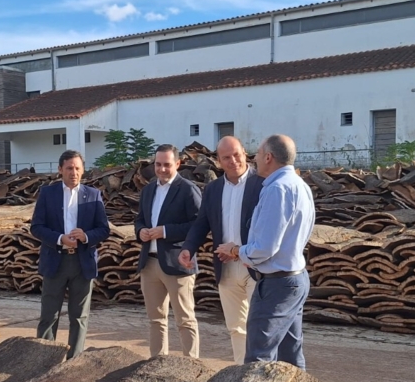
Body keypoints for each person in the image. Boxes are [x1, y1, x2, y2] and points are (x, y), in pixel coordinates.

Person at [216, 134, 315, 369]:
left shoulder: (277, 189)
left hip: (276, 286)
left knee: (258, 359)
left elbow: (265, 248)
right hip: (294, 279)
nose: (255, 158)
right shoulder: (300, 185)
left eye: (258, 154)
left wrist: (236, 250)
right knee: (290, 358)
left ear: (269, 157)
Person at [179, 136, 263, 364]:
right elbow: (201, 223)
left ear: (245, 152)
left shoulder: (262, 183)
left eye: (236, 154)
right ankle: (240, 371)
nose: (233, 160)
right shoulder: (213, 189)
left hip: (255, 265)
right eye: (226, 157)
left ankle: (259, 373)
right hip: (226, 267)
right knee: (236, 326)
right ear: (218, 160)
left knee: (259, 325)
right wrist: (189, 248)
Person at [30, 150, 110, 357]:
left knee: (79, 316)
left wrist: (86, 236)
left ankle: (74, 361)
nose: (73, 172)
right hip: (55, 260)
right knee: (49, 315)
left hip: (82, 263)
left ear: (83, 171)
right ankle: (42, 360)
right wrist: (59, 238)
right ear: (60, 170)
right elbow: (36, 227)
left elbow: (103, 229)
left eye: (77, 168)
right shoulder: (48, 193)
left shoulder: (93, 195)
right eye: (69, 168)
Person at [134, 144, 202, 358]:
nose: (162, 169)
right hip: (150, 263)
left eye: (167, 165)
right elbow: (139, 220)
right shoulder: (148, 190)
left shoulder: (188, 189)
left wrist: (164, 231)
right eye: (158, 164)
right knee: (155, 319)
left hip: (178, 263)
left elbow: (198, 225)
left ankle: (191, 366)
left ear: (178, 164)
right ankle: (156, 362)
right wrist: (141, 231)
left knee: (184, 319)